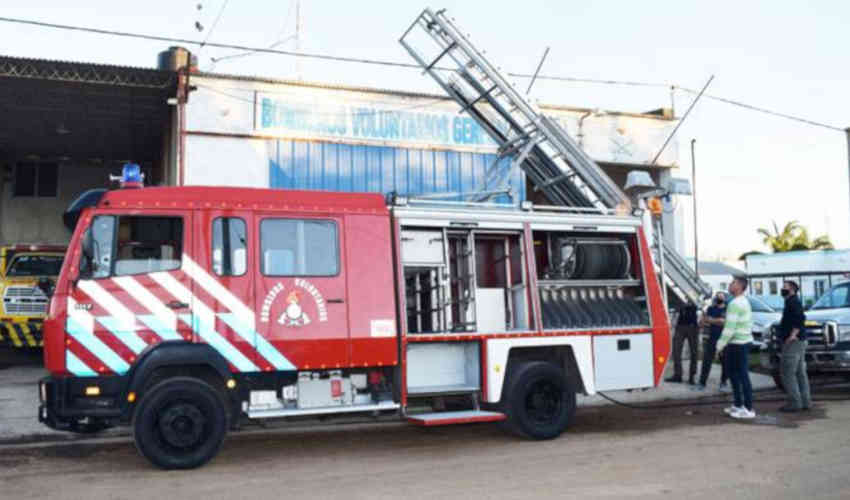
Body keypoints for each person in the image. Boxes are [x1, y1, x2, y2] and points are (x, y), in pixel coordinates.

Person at [716, 276, 755, 419]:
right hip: (740, 342)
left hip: (738, 343)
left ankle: (748, 408)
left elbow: (729, 328)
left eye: (732, 283)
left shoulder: (735, 303)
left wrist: (719, 345)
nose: (730, 285)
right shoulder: (743, 301)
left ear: (739, 286)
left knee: (741, 375)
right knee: (734, 374)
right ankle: (738, 405)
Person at [777, 280, 811, 412]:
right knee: (800, 373)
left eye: (784, 287)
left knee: (787, 372)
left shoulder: (793, 302)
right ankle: (805, 401)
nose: (782, 289)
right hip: (800, 341)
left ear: (792, 289)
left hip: (793, 342)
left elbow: (800, 318)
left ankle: (794, 402)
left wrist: (792, 335)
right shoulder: (792, 301)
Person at [694, 292, 727, 390]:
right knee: (706, 361)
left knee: (725, 362)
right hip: (712, 338)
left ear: (724, 298)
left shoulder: (727, 309)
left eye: (721, 296)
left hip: (724, 339)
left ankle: (723, 383)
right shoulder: (711, 309)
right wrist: (705, 320)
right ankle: (702, 383)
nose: (718, 298)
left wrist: (711, 320)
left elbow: (724, 322)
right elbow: (703, 322)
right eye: (717, 296)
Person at [666, 301, 700, 384]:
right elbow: (675, 309)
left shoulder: (694, 296)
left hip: (693, 327)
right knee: (676, 351)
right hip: (680, 326)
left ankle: (692, 376)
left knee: (694, 352)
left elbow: (699, 305)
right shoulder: (681, 297)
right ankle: (678, 375)